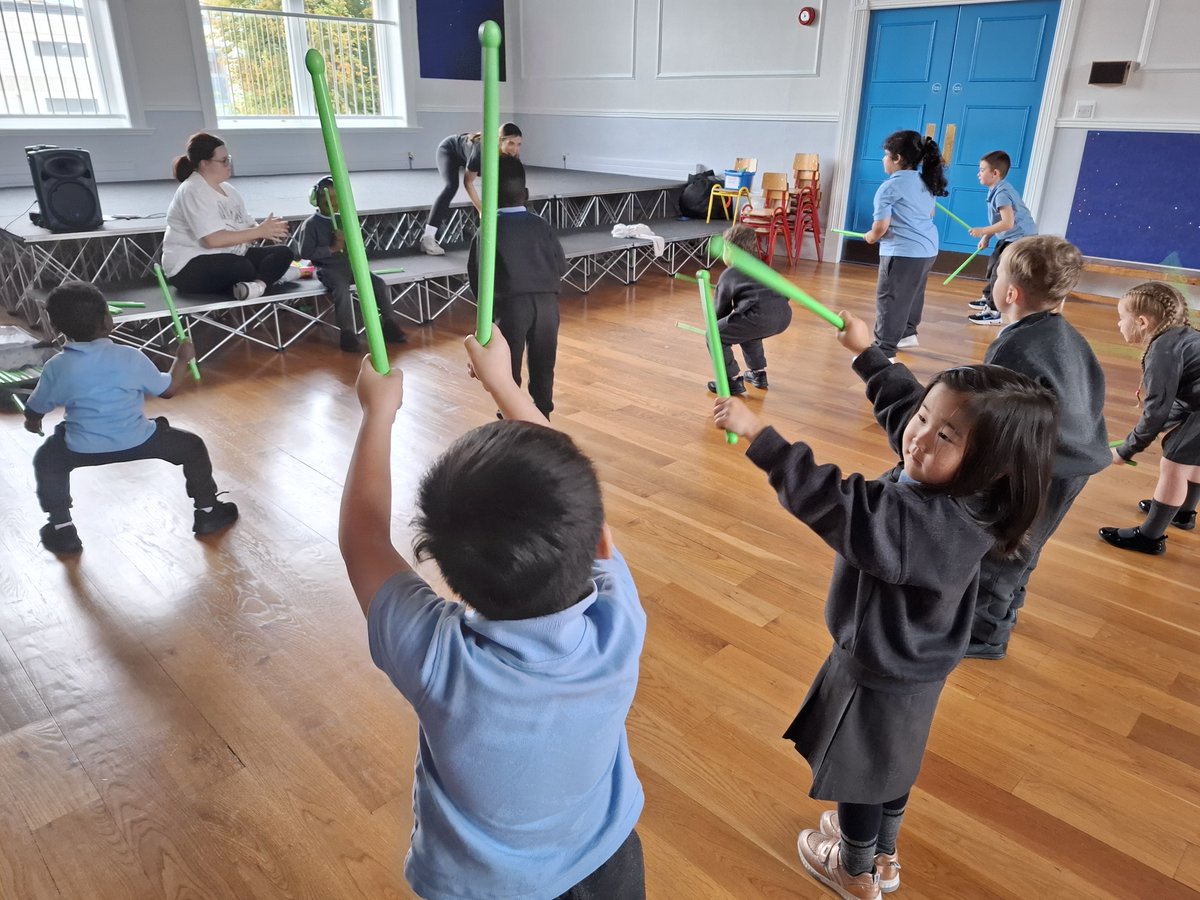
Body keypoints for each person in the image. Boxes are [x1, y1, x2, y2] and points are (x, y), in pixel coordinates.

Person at [713, 313, 1058, 899]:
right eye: (927, 416)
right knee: (892, 762)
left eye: (944, 436)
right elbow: (909, 412)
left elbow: (840, 505)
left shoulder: (920, 521)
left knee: (860, 772)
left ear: (991, 462)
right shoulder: (973, 489)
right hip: (917, 661)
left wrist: (760, 438)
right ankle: (883, 854)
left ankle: (853, 869)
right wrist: (868, 354)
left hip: (877, 665)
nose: (920, 437)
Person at [338, 327, 647, 900]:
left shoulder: (437, 658)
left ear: (446, 571)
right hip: (609, 860)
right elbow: (585, 505)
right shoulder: (618, 622)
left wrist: (377, 414)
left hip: (485, 889)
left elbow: (362, 537)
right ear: (599, 545)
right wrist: (505, 385)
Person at [961, 236, 1108, 658]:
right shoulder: (1068, 337)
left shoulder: (1015, 347)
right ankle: (1007, 610)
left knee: (1002, 549)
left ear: (1010, 293)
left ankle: (984, 636)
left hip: (1041, 469)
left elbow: (998, 421)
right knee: (1027, 543)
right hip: (1072, 464)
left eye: (998, 269)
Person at [24, 282, 238, 555]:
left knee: (46, 461)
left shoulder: (57, 366)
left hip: (81, 447)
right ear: (107, 320)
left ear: (55, 327)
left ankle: (61, 527)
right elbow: (169, 390)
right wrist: (182, 358)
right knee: (192, 446)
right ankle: (208, 511)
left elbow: (36, 407)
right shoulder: (130, 357)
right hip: (139, 439)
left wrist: (32, 423)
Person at [1101, 281, 1200, 554]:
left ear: (1142, 321)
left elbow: (1156, 409)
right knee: (1191, 459)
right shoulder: (1181, 336)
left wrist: (1127, 448)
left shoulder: (1164, 350)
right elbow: (1177, 402)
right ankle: (1182, 512)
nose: (1119, 324)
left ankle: (1149, 537)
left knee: (1174, 465)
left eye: (1122, 318)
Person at [467, 155, 566, 419]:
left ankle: (509, 413)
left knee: (506, 366)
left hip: (510, 307)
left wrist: (484, 328)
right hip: (547, 306)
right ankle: (543, 413)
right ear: (526, 194)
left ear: (489, 197)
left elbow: (477, 281)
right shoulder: (541, 225)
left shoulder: (487, 230)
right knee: (544, 362)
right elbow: (561, 264)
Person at [163, 131, 296, 301]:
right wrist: (259, 232)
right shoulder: (192, 189)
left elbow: (249, 228)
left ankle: (259, 285)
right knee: (242, 267)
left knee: (283, 253)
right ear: (204, 163)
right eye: (224, 161)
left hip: (232, 256)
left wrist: (271, 230)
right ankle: (271, 277)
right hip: (188, 266)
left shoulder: (229, 190)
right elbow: (212, 241)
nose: (229, 164)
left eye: (229, 159)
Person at [862, 130, 947, 360]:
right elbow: (928, 213)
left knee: (890, 297)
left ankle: (884, 350)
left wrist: (870, 237)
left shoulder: (889, 188)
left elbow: (880, 228)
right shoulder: (926, 181)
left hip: (903, 252)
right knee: (913, 291)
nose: (883, 160)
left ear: (897, 158)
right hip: (928, 249)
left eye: (886, 155)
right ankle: (907, 333)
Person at [298, 177, 408, 353]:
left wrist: (350, 240)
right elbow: (305, 253)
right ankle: (347, 333)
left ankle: (390, 326)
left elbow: (358, 246)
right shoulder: (310, 225)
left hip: (350, 266)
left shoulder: (345, 220)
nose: (332, 204)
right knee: (341, 289)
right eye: (327, 200)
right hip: (327, 269)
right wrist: (332, 248)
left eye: (336, 200)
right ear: (316, 200)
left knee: (378, 284)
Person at [704, 223, 793, 396]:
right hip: (783, 316)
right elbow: (784, 293)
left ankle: (730, 380)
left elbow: (721, 310)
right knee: (748, 331)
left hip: (759, 316)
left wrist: (714, 330)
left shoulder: (729, 274)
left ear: (729, 250)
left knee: (714, 335)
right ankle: (758, 374)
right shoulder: (762, 267)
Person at [422, 122, 523, 256]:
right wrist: (480, 209)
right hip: (449, 150)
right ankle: (427, 238)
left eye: (519, 144)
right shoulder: (482, 151)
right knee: (451, 186)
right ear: (500, 141)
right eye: (511, 143)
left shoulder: (511, 155)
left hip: (469, 157)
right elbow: (468, 182)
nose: (515, 149)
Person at [965, 150, 1038, 325]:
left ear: (995, 173)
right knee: (994, 265)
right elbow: (1000, 222)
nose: (978, 173)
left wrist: (982, 230)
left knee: (1000, 271)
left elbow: (1008, 223)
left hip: (1020, 238)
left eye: (982, 170)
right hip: (1011, 236)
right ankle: (989, 296)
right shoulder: (997, 188)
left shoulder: (1002, 194)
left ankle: (994, 311)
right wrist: (987, 237)